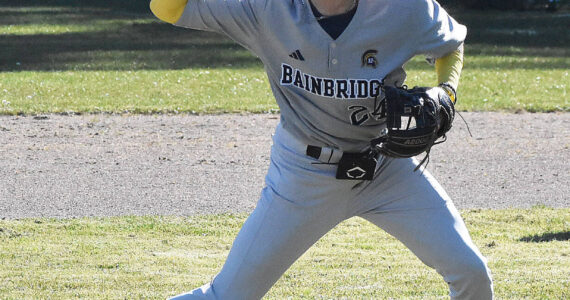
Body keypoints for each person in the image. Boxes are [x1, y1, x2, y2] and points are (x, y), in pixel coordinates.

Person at [149, 0, 494, 299]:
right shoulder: (266, 10)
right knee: (228, 295)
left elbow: (450, 43)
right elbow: (166, 8)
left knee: (470, 272)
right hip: (303, 177)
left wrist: (447, 92)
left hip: (387, 170)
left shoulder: (404, 8)